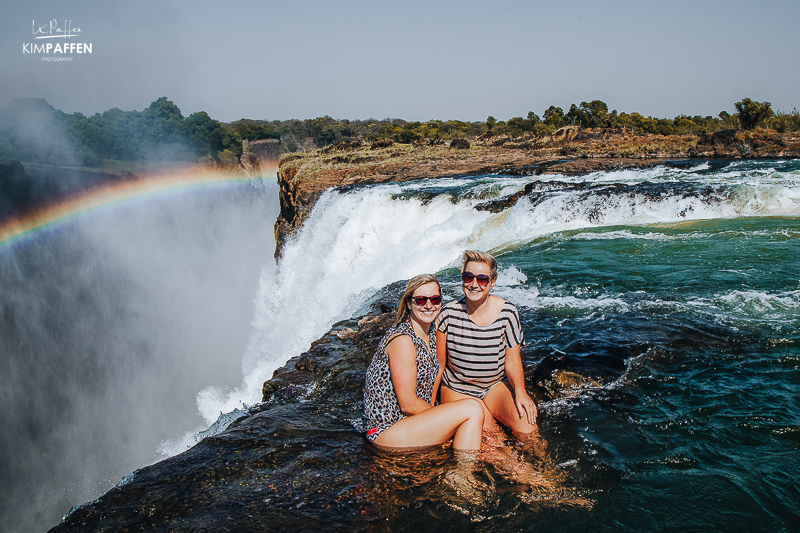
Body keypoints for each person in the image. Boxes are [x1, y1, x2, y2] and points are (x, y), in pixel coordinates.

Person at [362, 274, 485, 451]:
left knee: (476, 404)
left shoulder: (432, 333)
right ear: (409, 304)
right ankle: (462, 475)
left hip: (410, 423)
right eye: (421, 300)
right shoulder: (403, 340)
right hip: (387, 431)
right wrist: (442, 416)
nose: (429, 305)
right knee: (472, 409)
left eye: (435, 299)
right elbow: (408, 404)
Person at [437, 251, 537, 435]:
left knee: (528, 428)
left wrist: (520, 391)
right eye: (468, 277)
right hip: (458, 388)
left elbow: (513, 361)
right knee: (492, 438)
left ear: (493, 282)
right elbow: (440, 364)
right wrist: (429, 404)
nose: (474, 284)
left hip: (493, 387)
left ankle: (543, 465)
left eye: (482, 279)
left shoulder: (508, 313)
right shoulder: (448, 314)